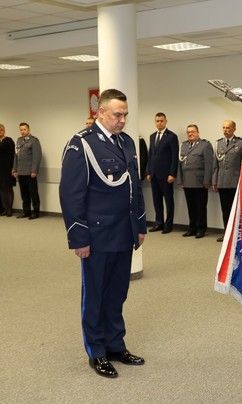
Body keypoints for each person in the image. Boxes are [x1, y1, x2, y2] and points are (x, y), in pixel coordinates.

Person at [59, 88, 147, 378]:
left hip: (123, 233)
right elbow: (71, 196)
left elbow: (134, 187)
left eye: (125, 115)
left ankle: (115, 344)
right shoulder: (81, 144)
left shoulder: (126, 143)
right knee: (95, 295)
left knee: (117, 294)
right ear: (100, 113)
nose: (122, 120)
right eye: (117, 115)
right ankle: (96, 352)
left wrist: (141, 225)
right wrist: (79, 238)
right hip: (96, 237)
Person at [178, 124, 213, 239]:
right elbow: (180, 164)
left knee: (200, 207)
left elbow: (209, 165)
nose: (190, 134)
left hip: (200, 182)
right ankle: (192, 228)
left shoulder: (205, 145)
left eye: (193, 131)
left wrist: (207, 181)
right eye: (188, 132)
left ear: (198, 132)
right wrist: (180, 180)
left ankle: (201, 229)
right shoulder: (183, 145)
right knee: (191, 207)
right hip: (187, 181)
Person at [146, 112, 179, 234]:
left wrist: (173, 174)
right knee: (157, 200)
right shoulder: (152, 136)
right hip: (154, 175)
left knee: (169, 201)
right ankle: (159, 222)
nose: (159, 123)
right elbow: (151, 155)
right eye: (157, 121)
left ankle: (168, 225)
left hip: (166, 175)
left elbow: (174, 157)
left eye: (161, 121)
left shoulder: (171, 136)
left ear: (166, 121)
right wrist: (148, 171)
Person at [212, 120, 242, 242]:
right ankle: (227, 233)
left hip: (235, 182)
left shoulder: (241, 143)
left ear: (234, 129)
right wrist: (214, 182)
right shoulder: (218, 143)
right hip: (222, 182)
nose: (225, 130)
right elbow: (215, 165)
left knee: (236, 211)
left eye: (228, 128)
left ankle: (237, 235)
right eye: (224, 127)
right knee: (225, 210)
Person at [12, 122, 42, 219]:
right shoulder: (19, 141)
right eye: (21, 130)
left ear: (28, 130)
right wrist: (15, 169)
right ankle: (26, 211)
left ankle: (36, 212)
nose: (23, 131)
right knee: (24, 193)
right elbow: (16, 157)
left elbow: (36, 157)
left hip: (30, 172)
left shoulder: (34, 141)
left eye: (24, 129)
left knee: (33, 193)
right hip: (21, 172)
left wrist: (34, 170)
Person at [0, 123, 16, 217]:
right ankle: (5, 209)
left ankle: (10, 209)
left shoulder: (9, 140)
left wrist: (13, 168)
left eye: (1, 130)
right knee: (2, 189)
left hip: (8, 168)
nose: (0, 132)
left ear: (4, 130)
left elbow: (14, 155)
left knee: (8, 188)